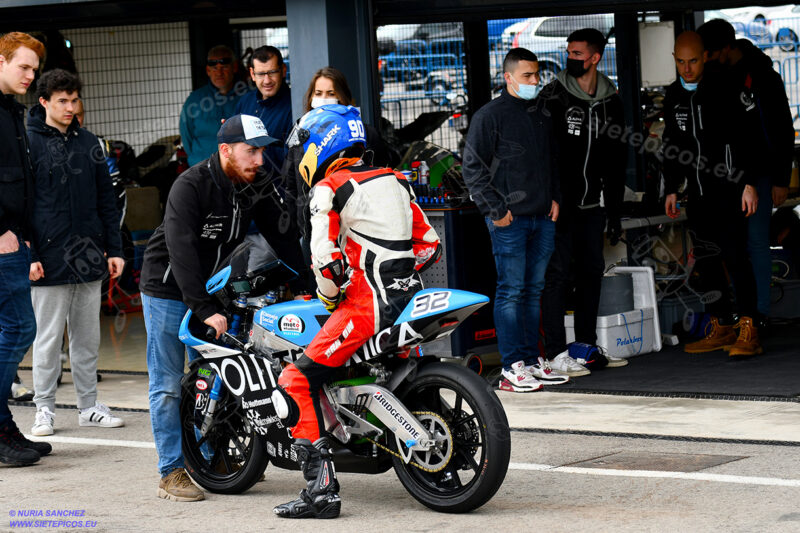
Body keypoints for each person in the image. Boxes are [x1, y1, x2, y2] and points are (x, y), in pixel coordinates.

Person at [274, 105, 441, 519]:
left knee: (295, 380)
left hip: (366, 307)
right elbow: (430, 244)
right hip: (410, 300)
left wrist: (334, 296)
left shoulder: (329, 189)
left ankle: (320, 493)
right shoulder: (395, 179)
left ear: (320, 145)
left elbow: (325, 265)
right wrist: (393, 270)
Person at [139, 114, 307, 502]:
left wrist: (305, 286)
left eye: (263, 150)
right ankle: (171, 471)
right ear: (225, 150)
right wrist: (201, 307)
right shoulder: (189, 185)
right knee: (167, 384)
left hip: (211, 289)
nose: (260, 160)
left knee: (221, 376)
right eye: (252, 151)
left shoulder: (256, 181)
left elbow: (282, 237)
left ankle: (211, 457)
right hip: (166, 290)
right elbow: (181, 251)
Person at [25, 69, 126, 436]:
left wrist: (113, 249)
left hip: (88, 254)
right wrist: (30, 253)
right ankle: (44, 410)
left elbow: (106, 200)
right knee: (48, 339)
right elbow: (21, 205)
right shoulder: (28, 143)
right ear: (44, 102)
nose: (70, 107)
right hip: (47, 256)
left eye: (74, 100)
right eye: (62, 101)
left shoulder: (89, 143)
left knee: (87, 337)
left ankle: (88, 406)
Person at [462, 48, 566, 393]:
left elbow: (551, 160)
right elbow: (472, 169)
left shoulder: (542, 113)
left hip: (542, 217)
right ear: (507, 77)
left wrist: (555, 198)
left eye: (537, 75)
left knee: (533, 291)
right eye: (527, 76)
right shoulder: (489, 116)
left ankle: (532, 362)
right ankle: (512, 367)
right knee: (511, 292)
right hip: (509, 221)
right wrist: (496, 211)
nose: (535, 81)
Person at [662, 30, 761, 357]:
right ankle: (722, 324)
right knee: (707, 261)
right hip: (698, 195)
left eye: (692, 61)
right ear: (674, 60)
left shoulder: (729, 87)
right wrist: (673, 187)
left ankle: (750, 327)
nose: (686, 68)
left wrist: (748, 183)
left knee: (736, 258)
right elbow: (673, 146)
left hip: (731, 190)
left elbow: (751, 137)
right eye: (680, 62)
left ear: (705, 56)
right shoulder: (673, 95)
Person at [539, 28, 628, 375]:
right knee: (558, 276)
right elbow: (544, 155)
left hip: (594, 206)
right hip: (560, 207)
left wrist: (615, 212)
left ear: (595, 57)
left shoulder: (612, 100)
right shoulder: (553, 97)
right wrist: (551, 199)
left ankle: (585, 347)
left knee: (592, 273)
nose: (571, 58)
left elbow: (617, 160)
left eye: (578, 53)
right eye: (569, 52)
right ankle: (557, 353)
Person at [698, 18, 794, 331]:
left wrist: (781, 178)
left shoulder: (762, 75)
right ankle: (743, 314)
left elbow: (781, 128)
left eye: (710, 53)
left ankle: (759, 315)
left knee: (755, 242)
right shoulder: (716, 76)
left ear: (726, 48)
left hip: (762, 173)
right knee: (732, 246)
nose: (706, 61)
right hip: (726, 177)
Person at [0, 31, 51, 466]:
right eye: (24, 66)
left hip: (15, 238)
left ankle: (2, 425)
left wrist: (26, 233)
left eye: (35, 69)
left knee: (13, 329)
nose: (31, 76)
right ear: (0, 61)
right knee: (18, 329)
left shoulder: (12, 112)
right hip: (0, 240)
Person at [284, 66, 394, 266]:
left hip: (361, 236)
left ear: (342, 97)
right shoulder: (301, 137)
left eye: (331, 93)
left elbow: (384, 182)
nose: (323, 98)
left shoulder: (365, 134)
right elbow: (291, 188)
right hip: (316, 237)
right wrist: (301, 230)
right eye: (318, 93)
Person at [179, 45, 244, 166]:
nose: (219, 73)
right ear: (208, 71)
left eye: (224, 67)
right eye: (214, 68)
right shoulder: (194, 101)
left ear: (234, 67)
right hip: (202, 169)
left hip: (238, 169)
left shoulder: (247, 97)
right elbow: (187, 136)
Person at [234, 46, 293, 175]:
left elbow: (293, 157)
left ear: (283, 70)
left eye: (272, 72)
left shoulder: (294, 106)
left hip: (280, 189)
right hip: (246, 186)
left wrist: (252, 149)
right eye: (261, 74)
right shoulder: (244, 102)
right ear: (252, 74)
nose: (267, 81)